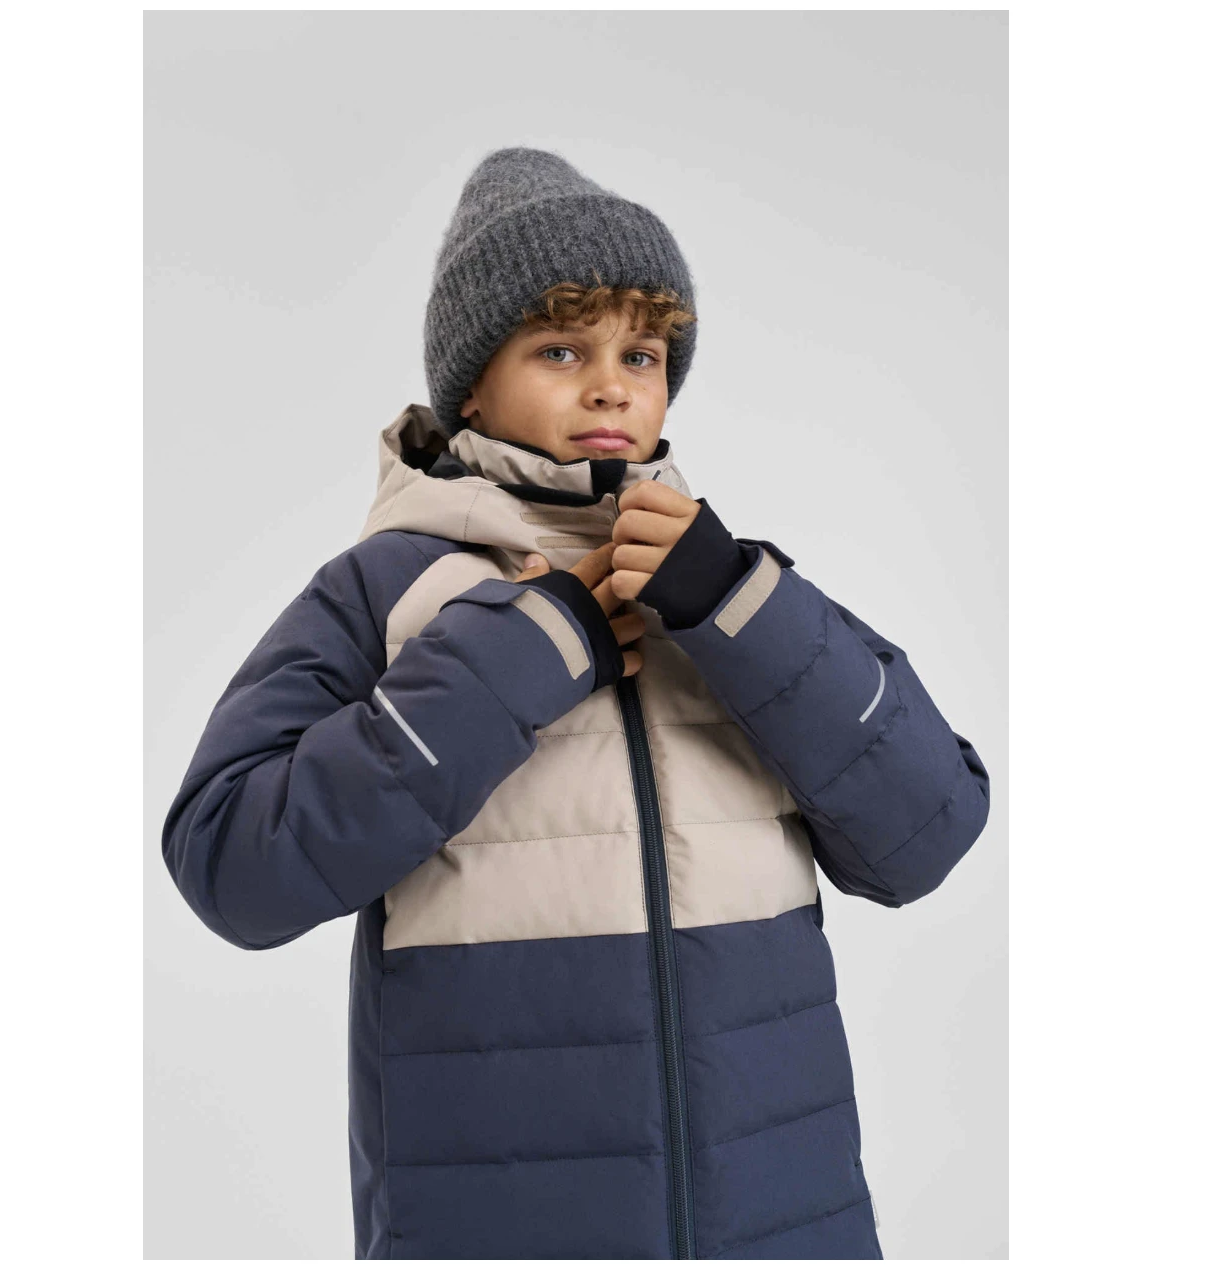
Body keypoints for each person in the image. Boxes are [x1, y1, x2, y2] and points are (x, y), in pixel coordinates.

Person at [162, 146, 990, 1260]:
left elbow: (929, 833)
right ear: (471, 383)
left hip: (785, 1229)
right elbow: (230, 863)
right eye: (561, 349)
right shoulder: (388, 590)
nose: (611, 386)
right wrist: (531, 649)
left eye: (640, 353)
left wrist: (737, 603)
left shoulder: (732, 594)